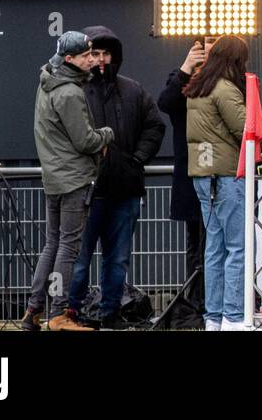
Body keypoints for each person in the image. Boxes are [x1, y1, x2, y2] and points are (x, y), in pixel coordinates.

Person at [185, 34, 262, 331]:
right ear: (235, 61)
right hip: (228, 176)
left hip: (204, 177)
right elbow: (249, 130)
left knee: (214, 249)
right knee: (238, 248)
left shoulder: (197, 87)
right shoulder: (225, 89)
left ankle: (213, 319)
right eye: (244, 60)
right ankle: (234, 318)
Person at [66, 25, 165, 329]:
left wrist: (136, 160)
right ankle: (72, 314)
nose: (99, 59)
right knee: (79, 261)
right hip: (86, 192)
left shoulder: (133, 90)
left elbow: (155, 125)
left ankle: (110, 314)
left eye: (105, 53)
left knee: (118, 260)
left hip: (125, 190)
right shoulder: (75, 92)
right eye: (93, 53)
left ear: (114, 56)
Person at [20, 31, 115, 332]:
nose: (92, 59)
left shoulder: (47, 81)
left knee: (53, 244)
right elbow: (85, 140)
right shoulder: (70, 92)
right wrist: (107, 134)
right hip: (74, 179)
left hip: (54, 176)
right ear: (70, 59)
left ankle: (33, 311)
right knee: (68, 248)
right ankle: (58, 314)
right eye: (86, 55)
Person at [157, 38, 211, 323]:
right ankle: (197, 303)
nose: (208, 50)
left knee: (217, 245)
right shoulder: (180, 81)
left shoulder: (229, 82)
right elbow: (165, 102)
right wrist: (187, 67)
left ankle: (212, 304)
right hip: (191, 176)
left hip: (218, 174)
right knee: (196, 245)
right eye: (205, 45)